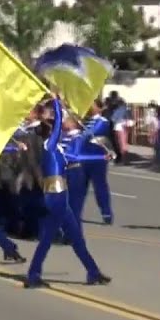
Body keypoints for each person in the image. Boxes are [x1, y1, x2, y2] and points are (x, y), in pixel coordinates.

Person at [24, 94, 111, 289]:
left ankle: (93, 272)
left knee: (73, 237)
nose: (60, 126)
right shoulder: (49, 145)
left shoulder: (58, 149)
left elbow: (77, 156)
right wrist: (57, 102)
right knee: (50, 238)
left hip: (58, 197)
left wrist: (102, 157)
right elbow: (57, 129)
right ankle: (33, 274)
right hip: (55, 197)